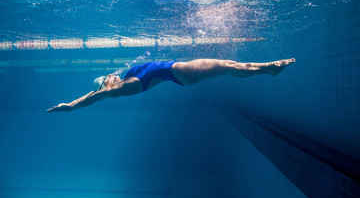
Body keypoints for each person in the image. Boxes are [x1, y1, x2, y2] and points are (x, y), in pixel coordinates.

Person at [47, 58, 295, 112]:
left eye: (105, 77)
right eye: (105, 80)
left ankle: (268, 70)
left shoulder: (122, 77)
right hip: (179, 72)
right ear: (107, 86)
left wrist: (79, 99)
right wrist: (70, 105)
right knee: (228, 66)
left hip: (178, 71)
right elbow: (95, 97)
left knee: (227, 67)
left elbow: (94, 92)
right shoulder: (122, 88)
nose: (109, 76)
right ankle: (269, 68)